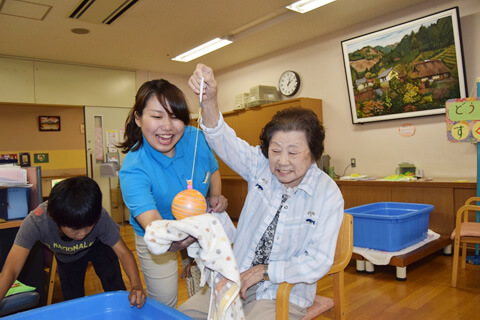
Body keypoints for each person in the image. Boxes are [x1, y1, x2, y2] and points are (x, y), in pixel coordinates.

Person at [178, 64, 344, 320]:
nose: (282, 161)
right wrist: (210, 100)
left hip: (282, 291)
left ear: (313, 152)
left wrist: (264, 271)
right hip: (235, 278)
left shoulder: (327, 194)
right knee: (180, 316)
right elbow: (223, 140)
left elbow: (318, 260)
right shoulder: (261, 165)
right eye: (275, 150)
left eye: (293, 151)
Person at [118, 78, 229, 308]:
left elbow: (213, 169)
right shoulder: (134, 168)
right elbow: (155, 228)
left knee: (215, 290)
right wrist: (174, 243)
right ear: (138, 118)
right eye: (157, 116)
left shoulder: (195, 138)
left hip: (199, 226)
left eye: (176, 116)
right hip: (159, 238)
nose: (167, 126)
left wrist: (215, 195)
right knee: (164, 303)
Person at [0, 176, 146, 309]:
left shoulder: (100, 216)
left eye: (88, 227)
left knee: (115, 287)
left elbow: (123, 252)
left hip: (100, 247)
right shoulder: (37, 221)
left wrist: (136, 285)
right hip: (67, 259)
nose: (82, 234)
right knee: (73, 301)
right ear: (55, 218)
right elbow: (10, 270)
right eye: (75, 230)